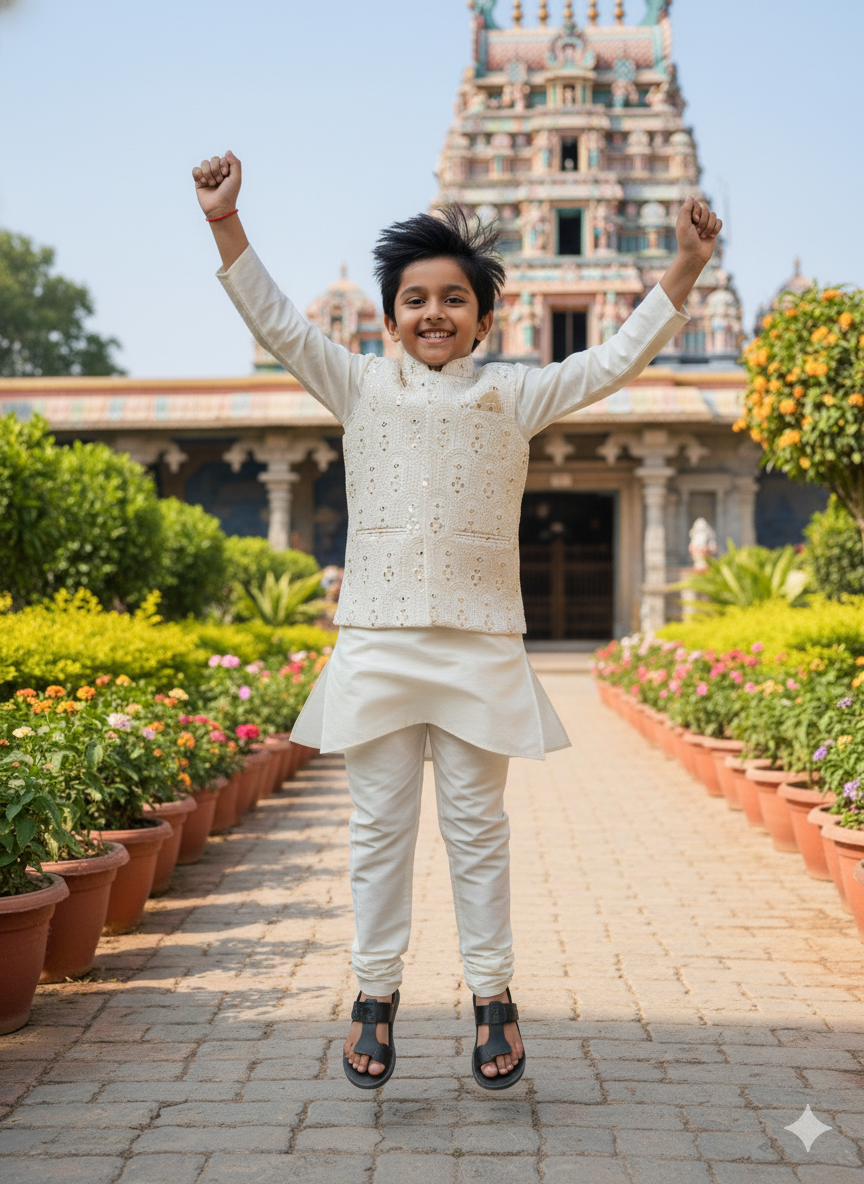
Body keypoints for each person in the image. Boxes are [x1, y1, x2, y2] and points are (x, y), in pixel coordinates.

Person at [192, 150, 721, 1089]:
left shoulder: (513, 393)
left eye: (453, 299)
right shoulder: (355, 384)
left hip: (480, 645)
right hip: (380, 644)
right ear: (389, 317)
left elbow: (611, 358)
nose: (433, 313)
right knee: (378, 832)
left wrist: (681, 268)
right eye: (414, 299)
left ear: (486, 317)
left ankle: (493, 997)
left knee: (479, 833)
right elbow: (275, 322)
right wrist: (226, 224)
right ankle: (374, 996)